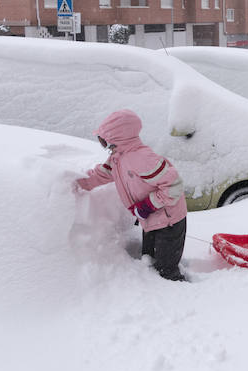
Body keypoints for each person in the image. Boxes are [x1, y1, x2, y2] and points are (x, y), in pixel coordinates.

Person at [76, 109, 188, 281]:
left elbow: (174, 185)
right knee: (148, 261)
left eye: (104, 140)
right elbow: (102, 174)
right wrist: (76, 183)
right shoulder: (117, 158)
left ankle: (181, 297)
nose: (104, 145)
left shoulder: (141, 158)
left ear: (117, 137)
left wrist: (148, 205)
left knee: (166, 270)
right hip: (150, 218)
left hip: (169, 219)